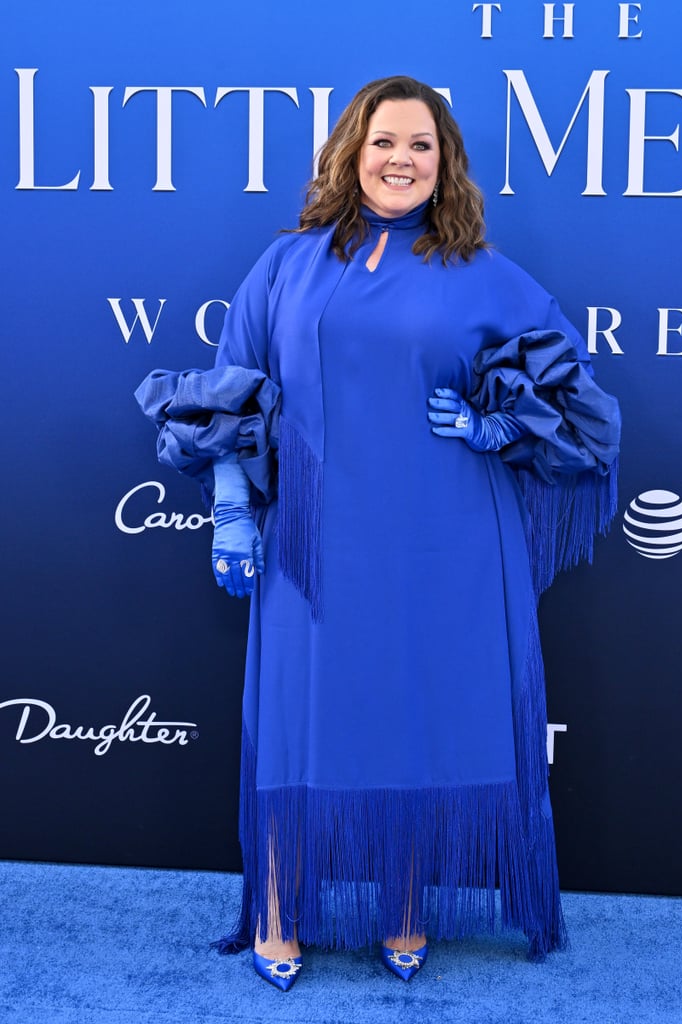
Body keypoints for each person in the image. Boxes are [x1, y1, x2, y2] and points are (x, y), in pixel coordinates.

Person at [136, 75, 620, 991]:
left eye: (421, 146)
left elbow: (578, 400)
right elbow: (232, 387)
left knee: (409, 711)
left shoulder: (480, 272)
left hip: (443, 539)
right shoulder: (285, 264)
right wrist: (234, 507)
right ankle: (276, 911)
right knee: (293, 718)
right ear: (349, 152)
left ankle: (406, 907)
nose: (402, 160)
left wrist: (496, 429)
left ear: (446, 164)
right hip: (313, 543)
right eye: (384, 142)